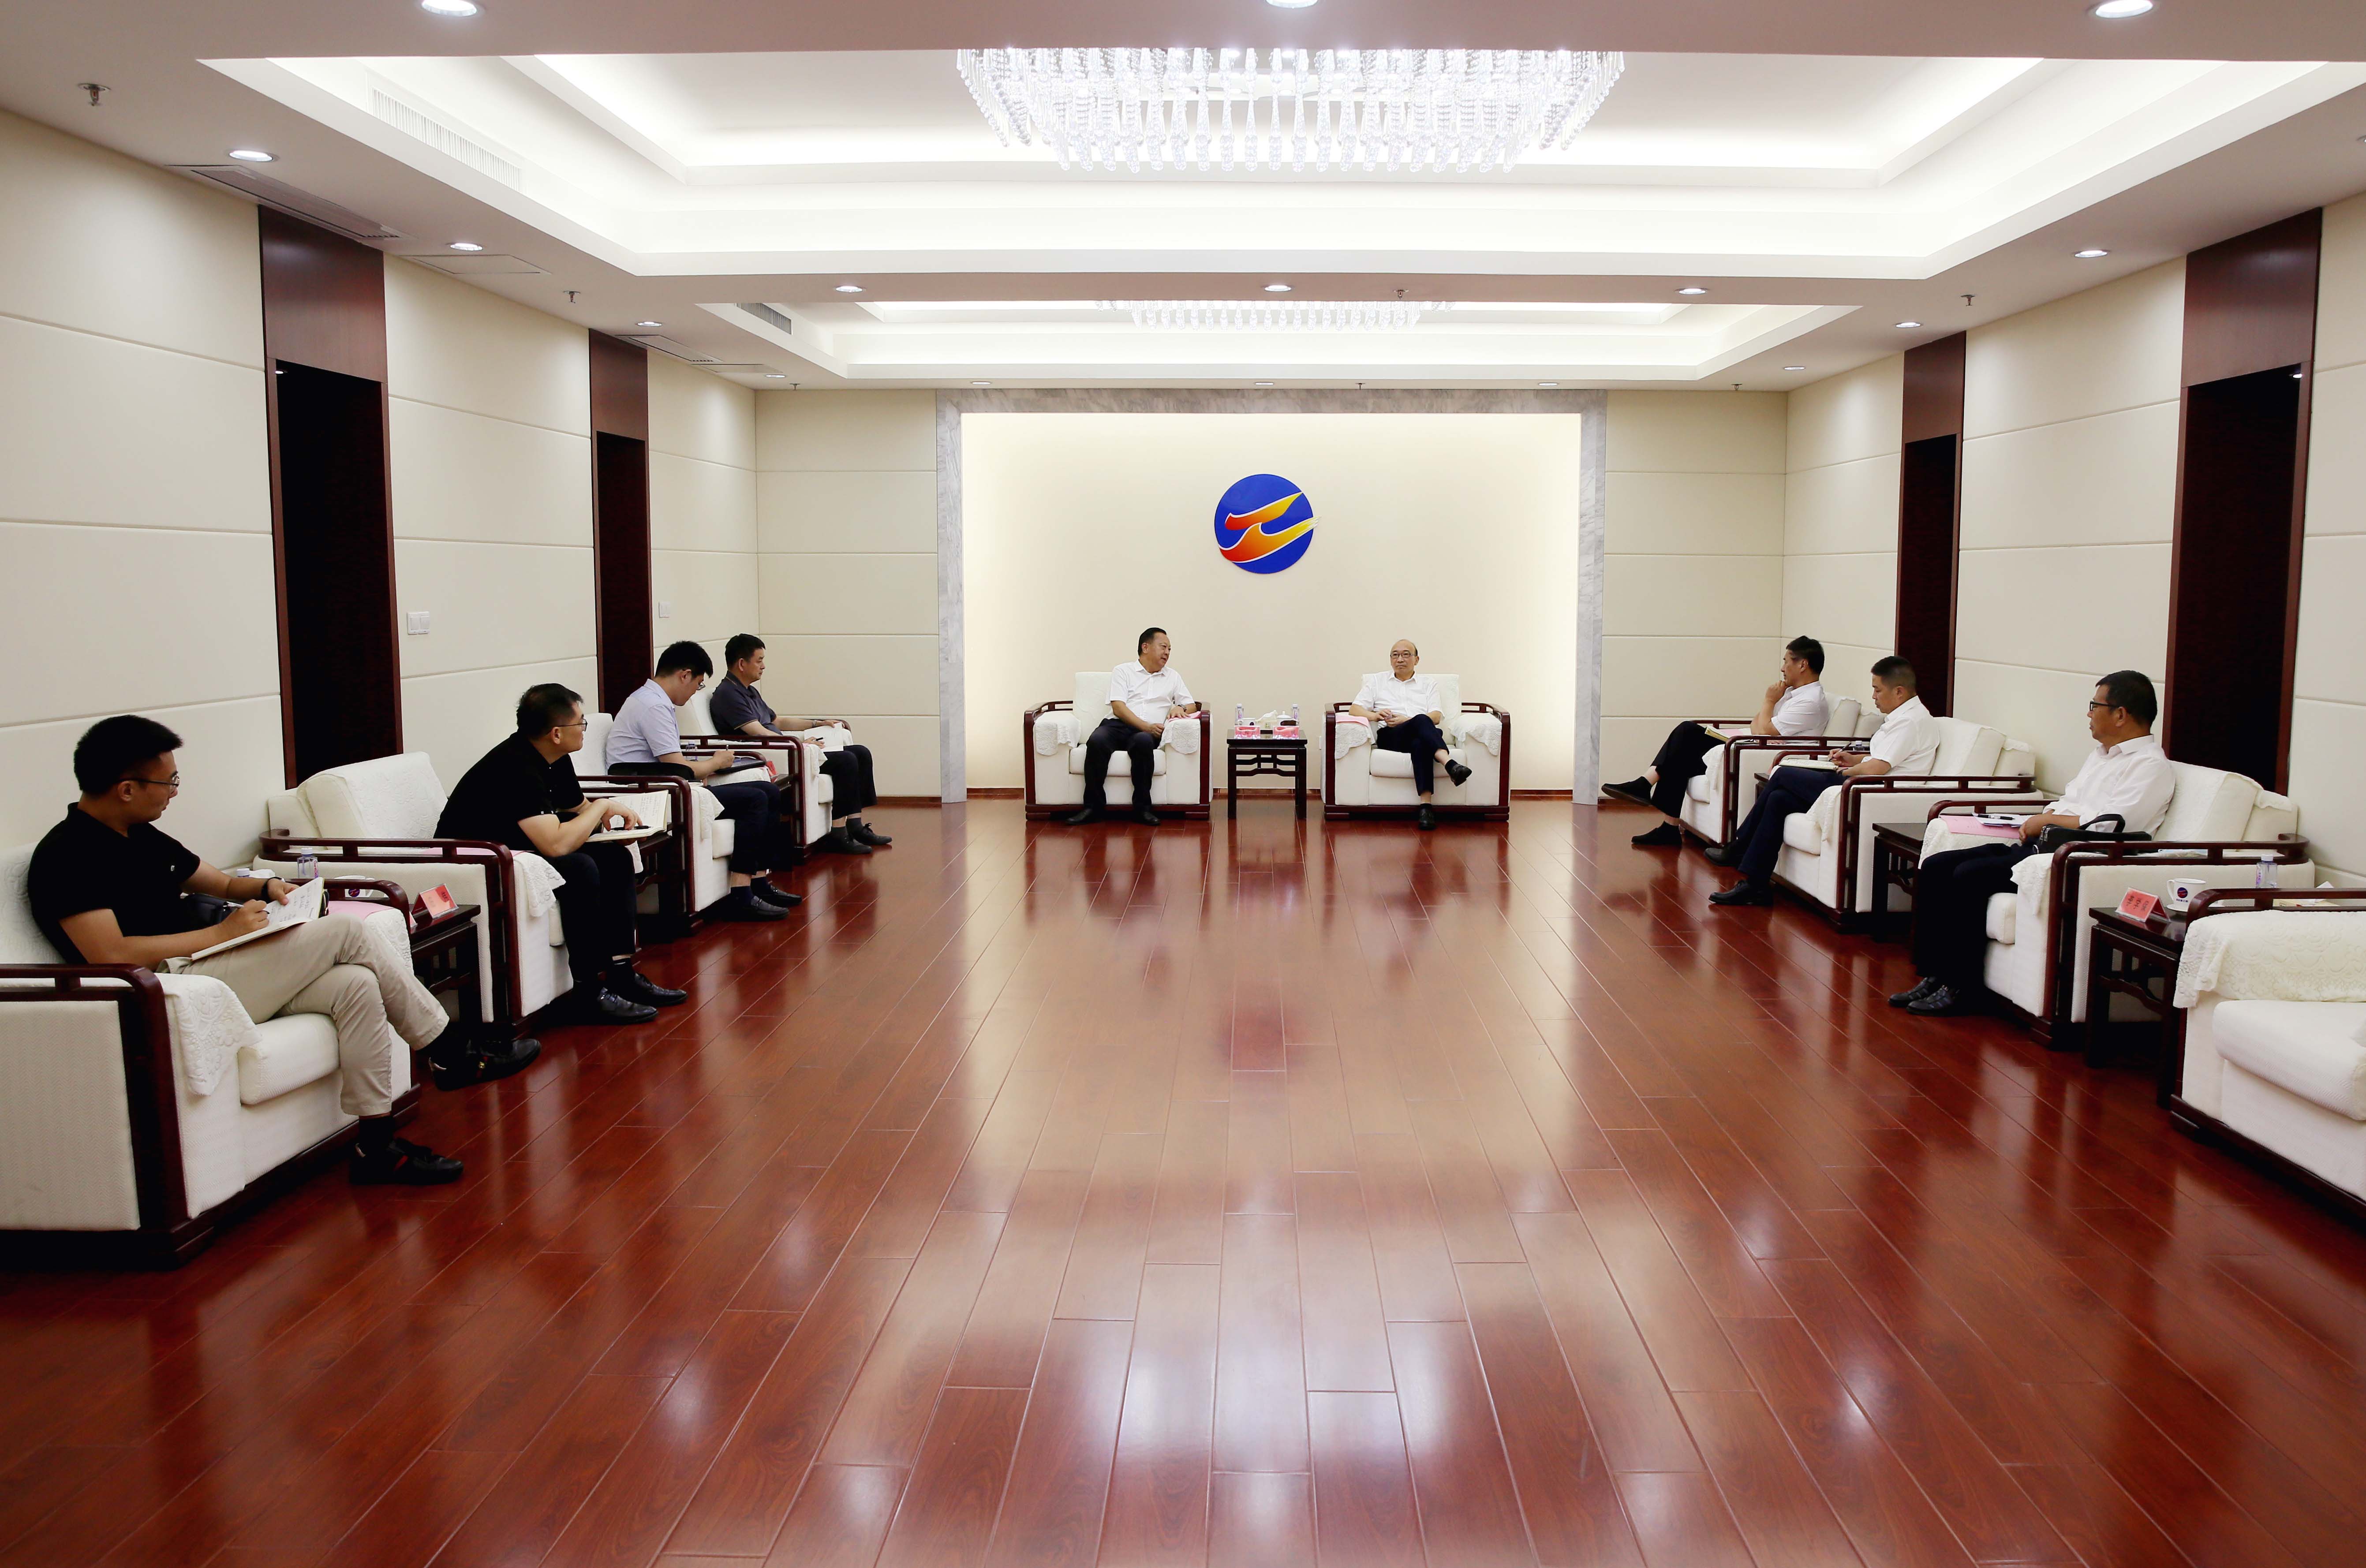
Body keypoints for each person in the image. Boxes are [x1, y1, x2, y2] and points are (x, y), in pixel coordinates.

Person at [28, 717, 505, 1186]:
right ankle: (449, 1050)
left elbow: (221, 883)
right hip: (170, 986)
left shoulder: (139, 834)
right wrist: (219, 936)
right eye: (168, 781)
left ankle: (376, 1146)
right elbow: (111, 954)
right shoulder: (67, 856)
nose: (174, 791)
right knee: (346, 931)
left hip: (210, 966)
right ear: (127, 789)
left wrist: (268, 886)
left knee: (355, 984)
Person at [1891, 670, 2174, 1017]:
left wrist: (2046, 821)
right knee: (1937, 865)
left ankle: (1961, 986)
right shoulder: (2101, 755)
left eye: (2094, 705)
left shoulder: (2149, 766)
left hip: (2072, 856)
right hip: (2042, 845)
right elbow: (2070, 801)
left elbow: (2112, 826)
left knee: (1969, 875)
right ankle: (1935, 974)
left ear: (2120, 714)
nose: (2088, 714)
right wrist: (2045, 817)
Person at [439, 683, 688, 1025]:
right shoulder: (516, 766)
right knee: (579, 867)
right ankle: (588, 989)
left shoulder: (555, 758)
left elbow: (578, 808)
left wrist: (614, 817)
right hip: (479, 860)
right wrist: (601, 806)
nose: (585, 728)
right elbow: (555, 845)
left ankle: (620, 973)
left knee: (614, 858)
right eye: (580, 723)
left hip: (518, 845)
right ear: (556, 733)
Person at [1704, 655, 1939, 908]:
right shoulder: (1902, 717)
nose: (1874, 697)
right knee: (1779, 799)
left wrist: (1844, 772)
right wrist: (1851, 758)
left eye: (1878, 690)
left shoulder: (1910, 722)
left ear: (1899, 691)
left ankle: (1738, 846)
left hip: (1869, 792)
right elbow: (1880, 758)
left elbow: (1878, 768)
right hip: (1862, 784)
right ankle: (1756, 885)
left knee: (1782, 774)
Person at [606, 641, 796, 921]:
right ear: (685, 675)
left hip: (663, 784)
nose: (696, 691)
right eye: (698, 684)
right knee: (755, 799)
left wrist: (706, 766)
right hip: (654, 794)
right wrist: (716, 763)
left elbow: (673, 763)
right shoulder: (653, 706)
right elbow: (678, 767)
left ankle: (758, 882)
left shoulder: (651, 699)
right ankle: (742, 894)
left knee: (768, 791)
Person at [1604, 635, 1831, 847]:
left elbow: (1764, 730)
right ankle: (1664, 820)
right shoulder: (1792, 694)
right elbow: (1758, 725)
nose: (1782, 668)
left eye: (1786, 661)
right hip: (1752, 744)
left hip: (1756, 752)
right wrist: (1767, 718)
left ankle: (1648, 789)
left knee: (1687, 734)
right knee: (1684, 741)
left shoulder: (1810, 701)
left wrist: (1769, 702)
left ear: (1803, 665)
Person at [709, 633, 891, 857]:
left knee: (861, 752)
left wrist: (816, 723)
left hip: (788, 747)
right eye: (759, 661)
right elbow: (758, 732)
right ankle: (838, 833)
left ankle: (855, 825)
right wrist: (798, 744)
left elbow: (777, 721)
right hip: (778, 754)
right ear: (741, 664)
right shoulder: (728, 695)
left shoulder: (749, 691)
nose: (764, 666)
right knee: (845, 760)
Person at [1068, 627, 1200, 826]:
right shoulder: (1123, 671)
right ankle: (1092, 808)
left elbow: (1191, 705)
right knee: (1096, 741)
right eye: (1163, 647)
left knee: (1143, 743)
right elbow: (1118, 707)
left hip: (1147, 733)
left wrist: (1179, 708)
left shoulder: (1172, 677)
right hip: (1117, 725)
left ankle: (1142, 810)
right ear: (1145, 648)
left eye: (1170, 649)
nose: (1167, 653)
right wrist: (1146, 726)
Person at [1349, 639, 1473, 832]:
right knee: (1422, 722)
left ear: (1417, 659)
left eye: (1406, 654)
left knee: (1421, 739)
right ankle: (1450, 765)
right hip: (1391, 735)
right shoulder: (1377, 681)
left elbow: (1436, 716)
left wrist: (1408, 720)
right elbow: (1354, 709)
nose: (1400, 659)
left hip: (1423, 733)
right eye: (1395, 655)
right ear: (1391, 659)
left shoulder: (1428, 684)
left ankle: (1426, 809)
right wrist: (1375, 715)